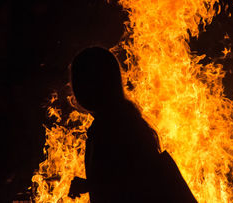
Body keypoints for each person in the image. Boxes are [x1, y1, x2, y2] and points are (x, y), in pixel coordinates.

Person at [68, 46, 197, 203]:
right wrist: (91, 185)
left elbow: (136, 184)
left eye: (80, 81)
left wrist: (91, 185)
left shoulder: (115, 129)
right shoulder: (119, 123)